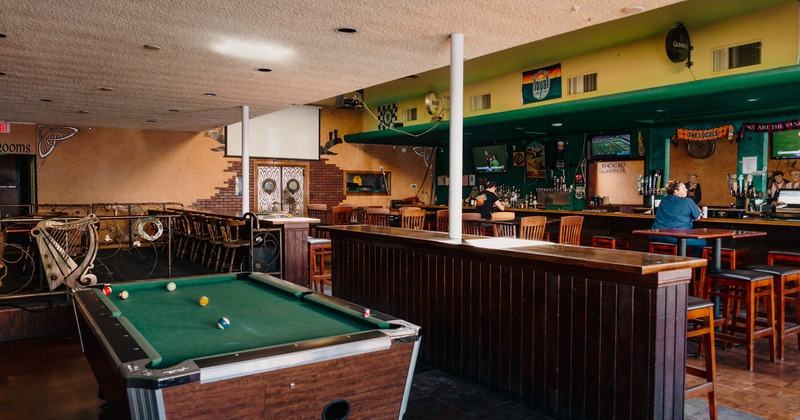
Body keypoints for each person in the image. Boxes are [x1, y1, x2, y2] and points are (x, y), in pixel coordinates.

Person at [651, 180, 705, 257]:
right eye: (683, 188)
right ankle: (692, 265)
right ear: (676, 191)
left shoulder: (664, 200)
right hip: (675, 238)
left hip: (655, 235)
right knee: (702, 241)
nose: (686, 190)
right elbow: (697, 217)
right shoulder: (688, 201)